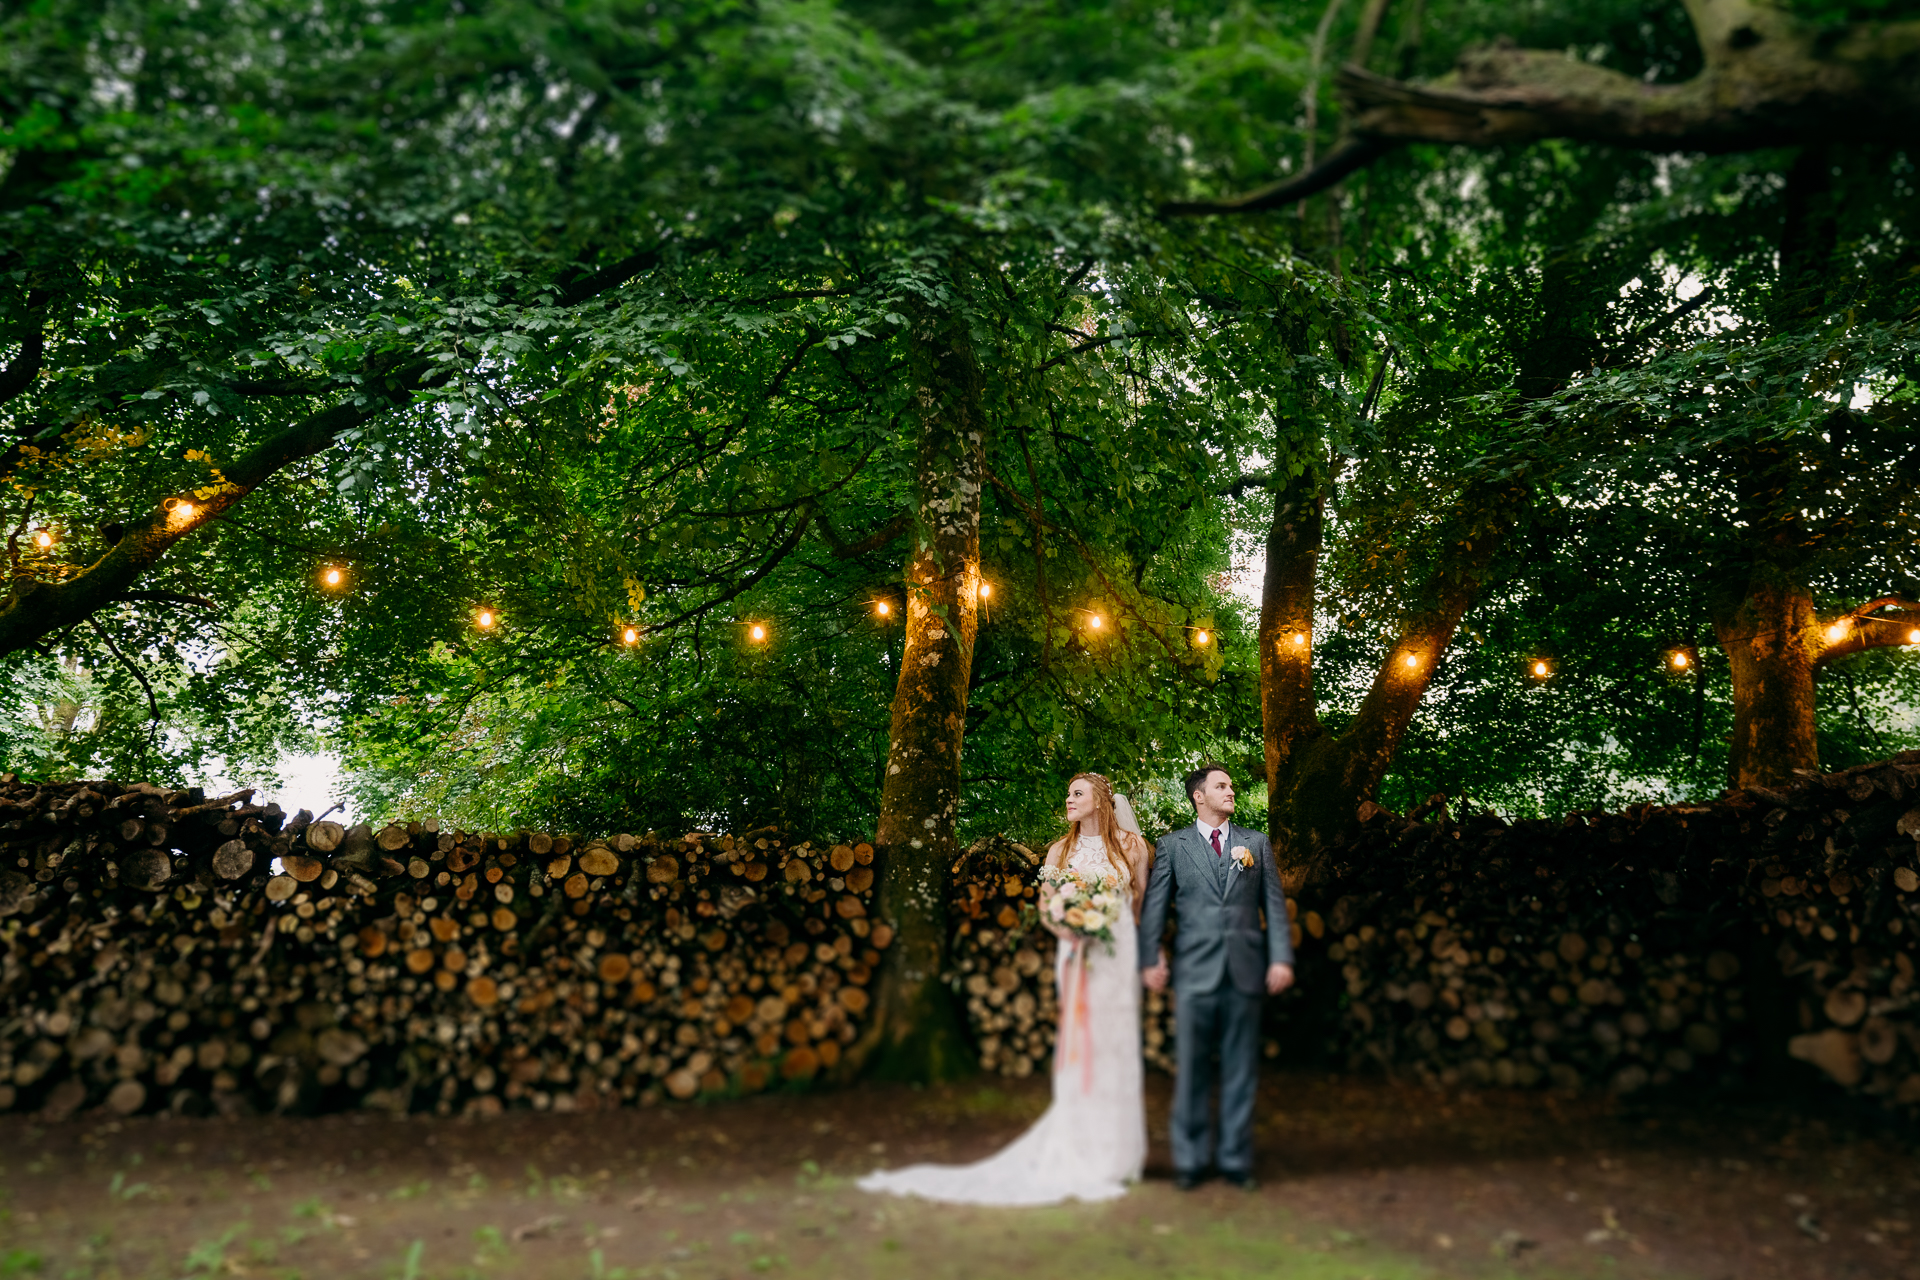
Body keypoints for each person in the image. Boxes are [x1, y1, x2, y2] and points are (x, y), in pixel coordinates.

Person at [859, 772, 1151, 1205]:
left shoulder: (1131, 845)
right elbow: (1048, 908)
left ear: (1102, 801)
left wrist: (1109, 929)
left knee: (1118, 1044)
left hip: (1117, 952)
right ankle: (1083, 1148)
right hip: (1075, 954)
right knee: (1082, 1044)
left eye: (1077, 793)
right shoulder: (1060, 850)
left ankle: (1120, 1153)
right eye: (1067, 792)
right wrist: (1072, 927)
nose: (1068, 799)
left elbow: (1139, 899)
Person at [1138, 763, 1294, 1191]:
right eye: (1221, 786)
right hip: (1193, 973)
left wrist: (1280, 958)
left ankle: (1234, 1160)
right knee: (1191, 1070)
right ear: (1198, 796)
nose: (1230, 791)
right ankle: (1189, 1161)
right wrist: (1150, 957)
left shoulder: (1255, 844)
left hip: (1245, 971)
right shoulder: (1172, 845)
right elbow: (1155, 907)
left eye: (1230, 785)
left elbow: (1274, 907)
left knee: (1241, 1070)